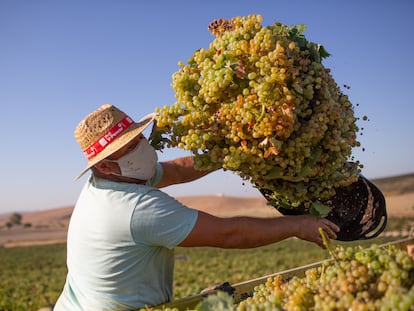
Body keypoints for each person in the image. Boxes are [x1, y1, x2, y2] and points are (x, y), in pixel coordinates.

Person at [54, 103, 340, 310]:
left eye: (139, 138)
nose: (143, 146)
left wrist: (231, 152)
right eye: (131, 146)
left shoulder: (116, 178)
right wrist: (297, 225)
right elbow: (230, 234)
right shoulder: (134, 208)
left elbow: (178, 170)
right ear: (104, 165)